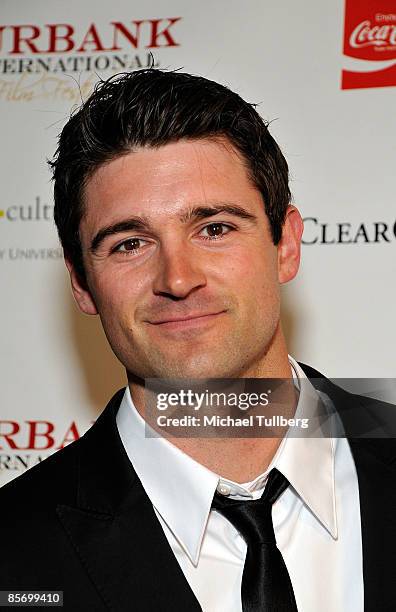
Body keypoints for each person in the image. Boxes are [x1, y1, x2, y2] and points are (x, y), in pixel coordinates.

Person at [0, 68, 395, 612]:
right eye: (130, 243)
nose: (178, 279)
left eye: (214, 229)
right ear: (82, 284)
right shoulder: (13, 553)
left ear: (286, 245)